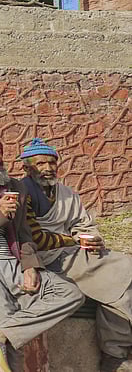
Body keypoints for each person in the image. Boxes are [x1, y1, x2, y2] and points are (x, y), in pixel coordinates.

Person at [0, 131, 84, 372]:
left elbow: (24, 233)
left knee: (70, 293)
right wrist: (0, 214)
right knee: (8, 338)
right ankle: (0, 333)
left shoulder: (16, 186)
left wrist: (30, 266)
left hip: (16, 262)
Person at [20, 138, 132, 372]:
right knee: (123, 270)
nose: (48, 168)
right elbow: (35, 238)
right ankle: (115, 353)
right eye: (41, 163)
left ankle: (115, 354)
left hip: (74, 251)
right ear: (27, 168)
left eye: (52, 163)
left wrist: (92, 238)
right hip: (47, 258)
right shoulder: (22, 193)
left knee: (118, 285)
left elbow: (82, 223)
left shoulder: (67, 193)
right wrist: (74, 240)